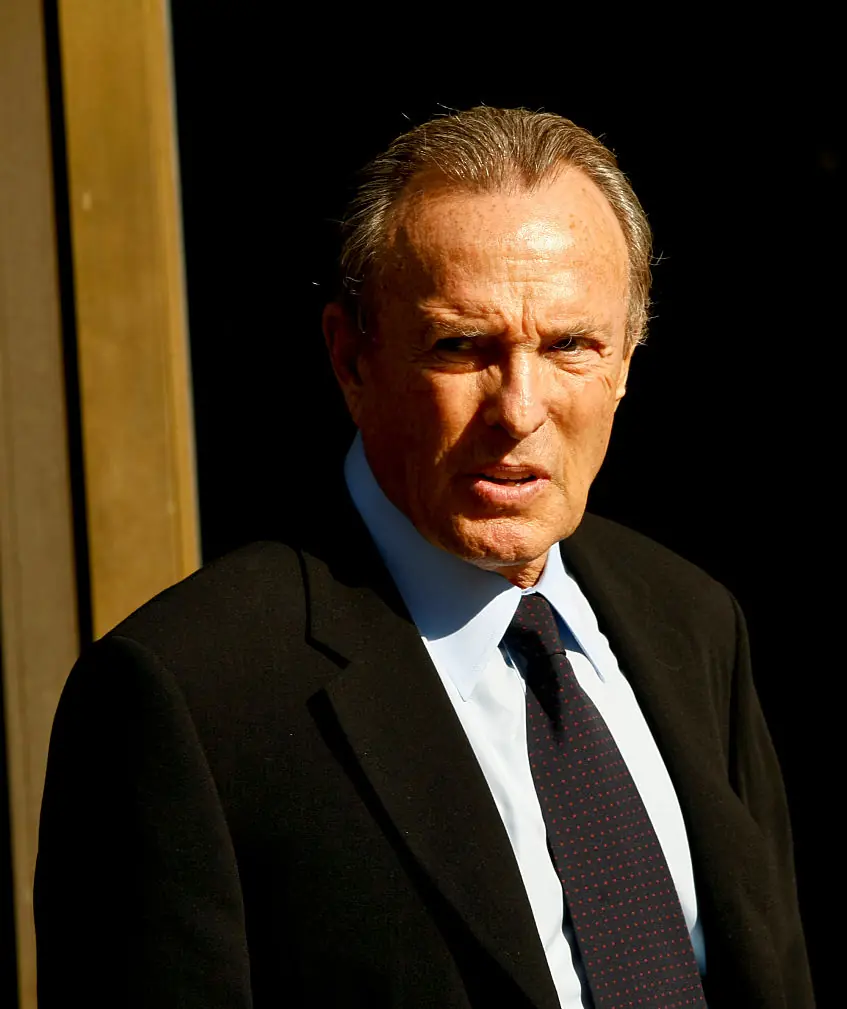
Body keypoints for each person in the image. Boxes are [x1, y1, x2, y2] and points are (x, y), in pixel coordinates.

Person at [34, 107, 814, 1008]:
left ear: (627, 359)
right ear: (350, 359)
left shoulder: (691, 620)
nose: (518, 408)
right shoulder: (188, 695)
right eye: (461, 346)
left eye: (570, 344)